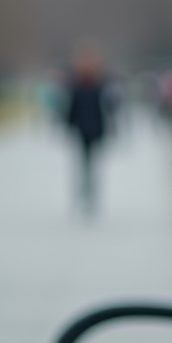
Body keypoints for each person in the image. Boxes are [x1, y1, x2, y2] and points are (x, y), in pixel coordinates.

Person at [63, 40, 110, 215]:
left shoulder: (100, 83)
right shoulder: (76, 84)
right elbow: (72, 109)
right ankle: (84, 193)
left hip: (95, 129)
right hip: (82, 129)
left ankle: (91, 194)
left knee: (92, 164)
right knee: (84, 163)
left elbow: (104, 109)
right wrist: (68, 126)